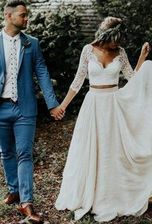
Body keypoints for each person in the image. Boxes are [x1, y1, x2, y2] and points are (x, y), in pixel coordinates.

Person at [55, 16, 152, 222]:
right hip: (93, 106)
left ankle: (114, 192)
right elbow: (77, 81)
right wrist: (62, 106)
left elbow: (133, 79)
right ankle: (91, 191)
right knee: (92, 148)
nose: (118, 43)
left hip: (115, 105)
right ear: (106, 35)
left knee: (113, 151)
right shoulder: (87, 50)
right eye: (115, 38)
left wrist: (142, 58)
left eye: (120, 39)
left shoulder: (121, 52)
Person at [0, 0, 64, 223]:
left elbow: (43, 73)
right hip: (1, 108)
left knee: (24, 154)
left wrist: (52, 104)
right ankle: (14, 190)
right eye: (23, 15)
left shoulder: (32, 44)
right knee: (6, 152)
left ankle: (26, 202)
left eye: (27, 15)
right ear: (8, 16)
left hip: (25, 108)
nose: (27, 18)